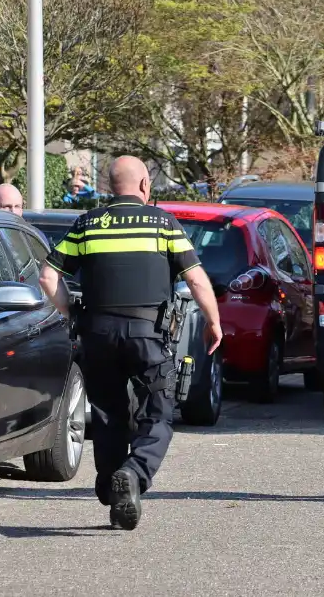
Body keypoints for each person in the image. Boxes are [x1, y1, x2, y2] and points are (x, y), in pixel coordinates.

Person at [38, 156, 222, 530]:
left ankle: (111, 488)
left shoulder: (88, 224)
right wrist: (215, 323)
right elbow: (198, 280)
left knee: (108, 415)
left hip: (98, 335)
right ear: (143, 186)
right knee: (158, 412)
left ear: (109, 185)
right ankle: (134, 473)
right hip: (147, 336)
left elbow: (47, 276)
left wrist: (70, 313)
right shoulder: (162, 223)